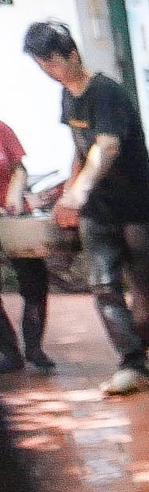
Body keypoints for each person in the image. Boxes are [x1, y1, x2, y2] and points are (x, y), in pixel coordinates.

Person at [22, 21, 149, 395]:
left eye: (52, 62)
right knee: (102, 285)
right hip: (97, 211)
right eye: (42, 65)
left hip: (137, 206)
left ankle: (139, 357)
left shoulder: (107, 93)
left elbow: (106, 147)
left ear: (73, 53)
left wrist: (80, 189)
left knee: (145, 289)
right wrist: (69, 191)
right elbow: (80, 147)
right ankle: (132, 362)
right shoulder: (68, 97)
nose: (49, 72)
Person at [0, 117, 48, 372]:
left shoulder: (2, 128)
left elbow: (19, 168)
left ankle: (35, 347)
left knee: (35, 280)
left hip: (13, 215)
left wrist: (14, 194)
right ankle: (7, 350)